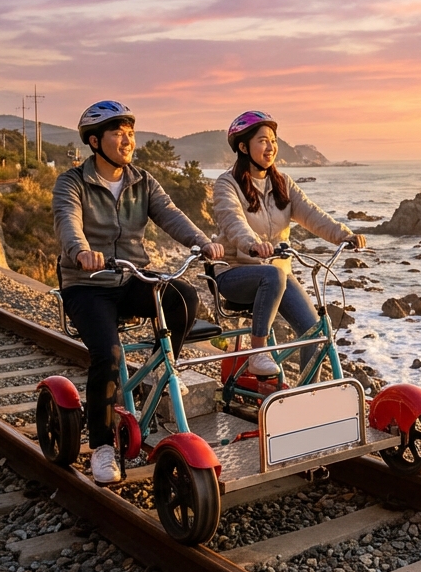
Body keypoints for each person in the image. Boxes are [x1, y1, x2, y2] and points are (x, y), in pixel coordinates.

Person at [52, 100, 224, 484]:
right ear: (95, 141)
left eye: (130, 132)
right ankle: (101, 446)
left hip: (131, 278)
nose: (127, 139)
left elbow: (170, 214)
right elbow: (68, 221)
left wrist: (201, 242)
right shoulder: (72, 182)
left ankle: (158, 373)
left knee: (184, 298)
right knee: (108, 355)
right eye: (117, 132)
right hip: (87, 285)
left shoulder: (142, 180)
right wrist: (80, 251)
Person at [210, 110, 365, 385]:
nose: (270, 147)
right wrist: (253, 244)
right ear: (244, 147)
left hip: (277, 274)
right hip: (236, 272)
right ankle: (258, 352)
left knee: (314, 333)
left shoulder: (283, 184)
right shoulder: (227, 184)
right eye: (262, 141)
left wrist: (345, 234)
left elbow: (312, 214)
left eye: (273, 140)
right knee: (273, 275)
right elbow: (232, 221)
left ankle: (306, 397)